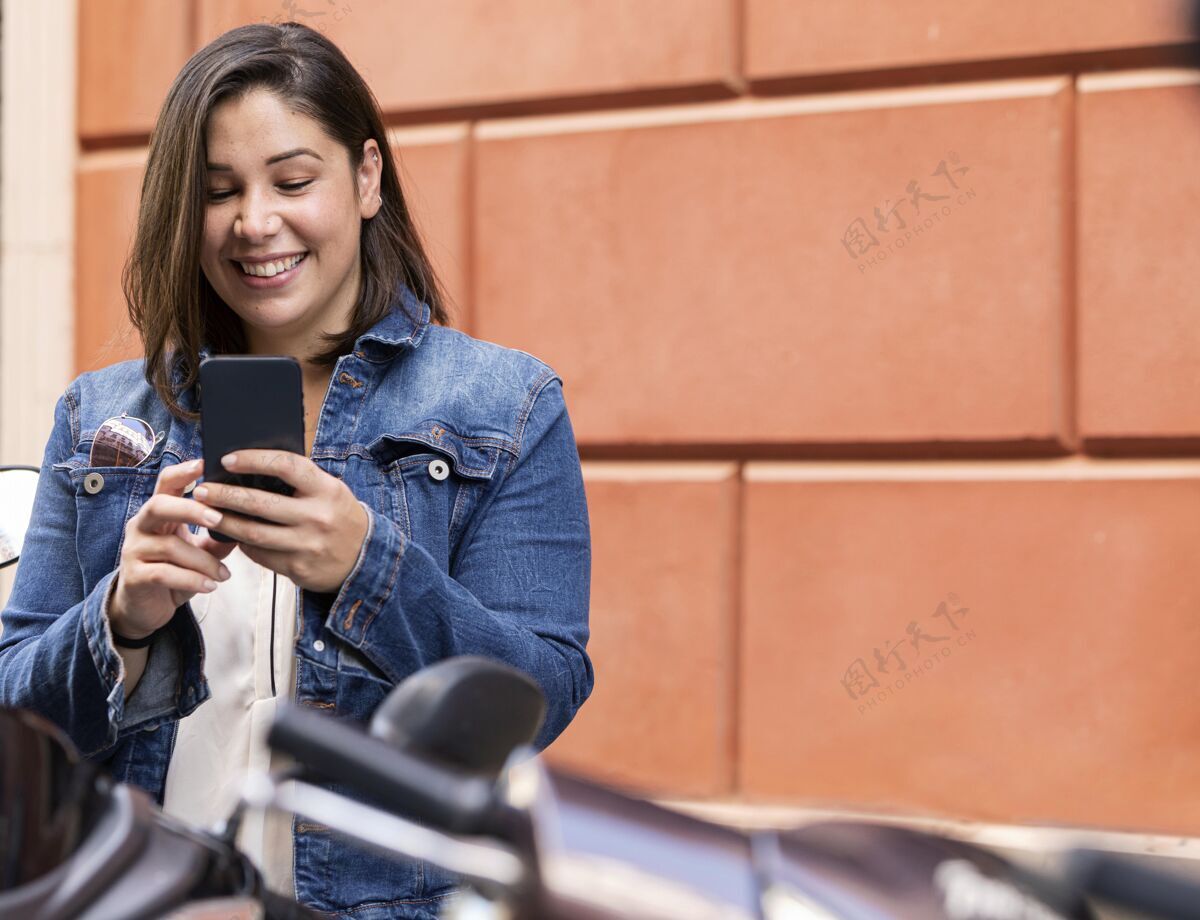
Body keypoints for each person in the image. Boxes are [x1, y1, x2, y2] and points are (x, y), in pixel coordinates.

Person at [0, 21, 593, 920]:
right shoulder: (102, 419)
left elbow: (537, 703)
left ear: (365, 178)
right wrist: (120, 620)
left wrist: (371, 571)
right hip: (149, 900)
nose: (255, 223)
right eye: (218, 191)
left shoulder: (504, 405)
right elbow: (17, 722)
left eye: (292, 180)